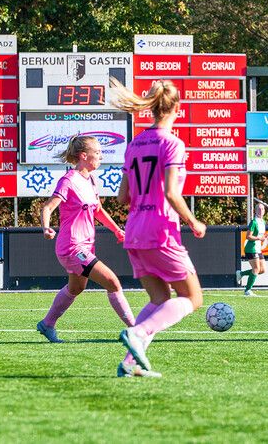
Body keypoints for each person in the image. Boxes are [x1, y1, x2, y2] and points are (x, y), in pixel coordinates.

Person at [111, 78, 206, 378]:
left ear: (152, 107)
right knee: (193, 299)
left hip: (135, 231)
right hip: (161, 230)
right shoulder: (172, 143)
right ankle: (138, 334)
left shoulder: (135, 143)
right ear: (178, 107)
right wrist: (193, 221)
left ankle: (129, 363)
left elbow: (122, 196)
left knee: (159, 300)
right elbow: (170, 193)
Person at [37, 135, 134, 343]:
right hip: (71, 246)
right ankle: (137, 330)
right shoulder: (69, 180)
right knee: (112, 282)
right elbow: (48, 207)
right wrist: (46, 228)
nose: (101, 156)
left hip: (85, 246)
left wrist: (117, 230)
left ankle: (47, 324)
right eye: (97, 152)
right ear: (84, 156)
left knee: (76, 288)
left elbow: (98, 210)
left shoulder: (90, 180)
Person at [236, 203, 267, 296]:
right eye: (259, 209)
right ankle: (247, 290)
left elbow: (260, 235)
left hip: (258, 248)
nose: (261, 211)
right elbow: (248, 236)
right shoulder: (254, 222)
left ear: (264, 211)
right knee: (256, 269)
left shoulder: (263, 222)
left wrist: (264, 237)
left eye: (262, 209)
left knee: (262, 270)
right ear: (255, 211)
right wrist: (259, 238)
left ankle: (241, 274)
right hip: (251, 248)